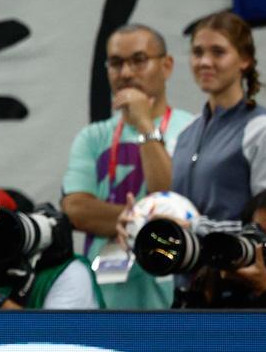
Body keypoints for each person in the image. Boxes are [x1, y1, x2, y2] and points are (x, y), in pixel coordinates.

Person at [62, 23, 191, 311]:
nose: (127, 74)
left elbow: (172, 199)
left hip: (173, 294)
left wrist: (145, 123)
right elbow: (76, 210)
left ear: (167, 65)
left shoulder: (192, 130)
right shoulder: (93, 137)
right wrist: (143, 222)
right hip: (105, 297)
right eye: (116, 63)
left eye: (139, 60)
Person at [171, 11, 266, 222]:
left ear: (245, 60)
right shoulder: (186, 133)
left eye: (218, 52)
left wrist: (196, 230)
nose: (204, 62)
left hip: (238, 256)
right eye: (197, 52)